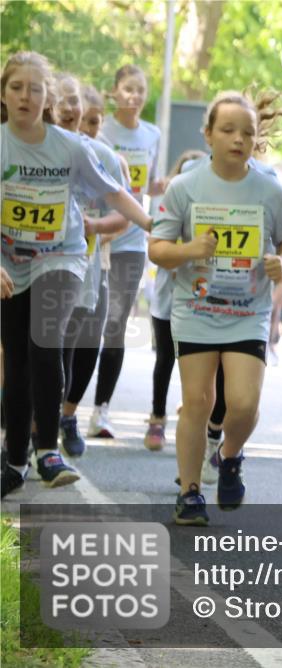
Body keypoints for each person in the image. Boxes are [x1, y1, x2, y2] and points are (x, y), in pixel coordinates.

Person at [1, 52, 155, 498]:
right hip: (10, 261)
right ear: (3, 94)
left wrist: (153, 226)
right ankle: (15, 459)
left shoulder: (70, 147)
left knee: (44, 342)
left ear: (47, 97)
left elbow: (114, 194)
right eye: (17, 87)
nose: (26, 96)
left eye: (35, 88)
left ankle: (47, 450)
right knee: (16, 358)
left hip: (62, 255)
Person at [149, 88, 282, 526]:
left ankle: (230, 455)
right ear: (209, 134)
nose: (238, 139)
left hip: (247, 310)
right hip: (195, 307)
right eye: (228, 130)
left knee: (244, 403)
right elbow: (158, 249)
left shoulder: (269, 189)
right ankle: (190, 492)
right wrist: (190, 249)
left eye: (247, 132)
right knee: (197, 401)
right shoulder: (184, 187)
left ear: (256, 139)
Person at [52, 72, 130, 458]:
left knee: (86, 342)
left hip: (88, 265)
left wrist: (93, 226)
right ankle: (39, 430)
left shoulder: (103, 157)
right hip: (40, 265)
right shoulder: (40, 149)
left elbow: (124, 215)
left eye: (92, 119)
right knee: (48, 346)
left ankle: (66, 415)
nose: (82, 123)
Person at [88, 64, 166, 439]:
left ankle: (100, 410)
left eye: (140, 90)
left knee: (116, 324)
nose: (133, 96)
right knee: (83, 322)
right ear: (114, 92)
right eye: (127, 89)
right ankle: (61, 403)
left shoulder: (153, 134)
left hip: (132, 239)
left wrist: (161, 186)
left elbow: (146, 184)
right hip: (92, 233)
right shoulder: (100, 130)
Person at [145, 150, 207, 452]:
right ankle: (157, 417)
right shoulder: (170, 200)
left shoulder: (212, 205)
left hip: (201, 296)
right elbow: (156, 244)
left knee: (196, 361)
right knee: (165, 358)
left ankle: (192, 410)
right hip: (168, 296)